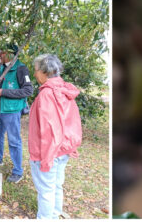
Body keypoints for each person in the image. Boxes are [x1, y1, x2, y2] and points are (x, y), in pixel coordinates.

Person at [28, 54, 83, 219]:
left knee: (46, 189)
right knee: (56, 185)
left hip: (48, 151)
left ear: (45, 72)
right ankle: (55, 214)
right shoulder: (64, 89)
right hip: (62, 149)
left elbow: (48, 129)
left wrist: (46, 158)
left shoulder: (47, 94)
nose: (35, 74)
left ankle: (45, 218)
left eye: (36, 70)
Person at [0, 43, 34, 183]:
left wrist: (4, 92)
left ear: (11, 54)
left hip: (12, 110)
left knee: (14, 140)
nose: (0, 55)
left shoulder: (21, 69)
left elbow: (28, 91)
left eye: (2, 52)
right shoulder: (2, 68)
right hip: (0, 108)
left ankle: (18, 171)